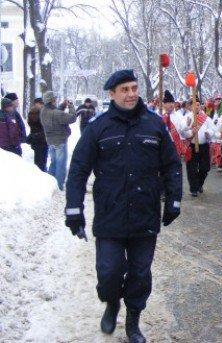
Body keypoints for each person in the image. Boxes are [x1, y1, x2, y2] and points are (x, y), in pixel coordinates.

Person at [65, 69, 182, 343]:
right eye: (124, 90)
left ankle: (133, 320)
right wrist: (74, 208)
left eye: (134, 88)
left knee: (140, 273)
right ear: (112, 94)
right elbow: (79, 168)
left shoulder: (154, 125)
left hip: (145, 214)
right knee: (109, 272)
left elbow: (172, 165)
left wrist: (174, 200)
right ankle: (111, 302)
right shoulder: (98, 126)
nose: (131, 94)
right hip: (110, 215)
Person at [40, 91, 77, 191]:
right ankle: (59, 185)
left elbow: (56, 113)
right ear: (52, 101)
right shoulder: (56, 113)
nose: (56, 102)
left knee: (53, 163)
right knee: (61, 165)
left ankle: (50, 185)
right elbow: (72, 118)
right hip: (60, 140)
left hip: (50, 140)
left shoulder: (43, 111)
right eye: (55, 100)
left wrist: (63, 105)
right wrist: (71, 106)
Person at [180, 98, 216, 197]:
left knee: (205, 168)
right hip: (191, 146)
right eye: (194, 104)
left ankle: (199, 184)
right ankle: (194, 189)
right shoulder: (187, 117)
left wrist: (208, 133)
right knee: (191, 169)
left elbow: (213, 130)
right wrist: (191, 131)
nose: (197, 106)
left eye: (199, 104)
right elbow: (182, 131)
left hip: (204, 146)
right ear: (190, 106)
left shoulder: (206, 118)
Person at [27, 98, 48, 171]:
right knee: (39, 160)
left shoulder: (43, 112)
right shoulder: (33, 113)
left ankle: (43, 171)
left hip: (44, 139)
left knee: (44, 159)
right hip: (37, 139)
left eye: (43, 104)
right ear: (35, 104)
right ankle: (39, 172)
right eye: (40, 103)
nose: (42, 105)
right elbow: (36, 121)